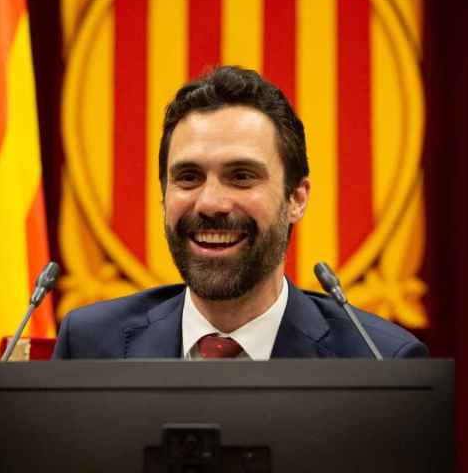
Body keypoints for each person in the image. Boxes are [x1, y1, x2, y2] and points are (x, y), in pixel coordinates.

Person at [53, 66, 427, 359]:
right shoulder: (89, 344)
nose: (211, 203)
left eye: (241, 176)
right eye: (188, 177)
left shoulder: (377, 361)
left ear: (296, 198)